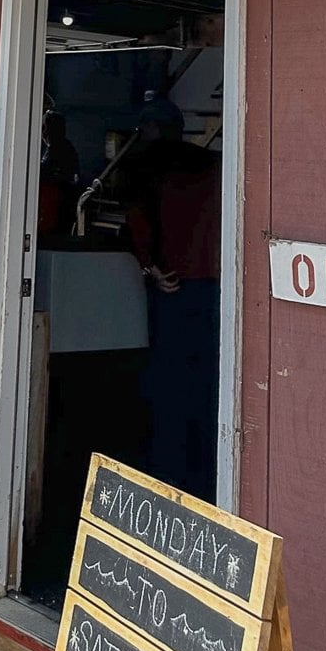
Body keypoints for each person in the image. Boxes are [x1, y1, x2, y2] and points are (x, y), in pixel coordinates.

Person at [124, 98, 221, 501]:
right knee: (209, 386)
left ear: (149, 130)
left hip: (173, 286)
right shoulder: (210, 163)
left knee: (168, 387)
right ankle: (208, 477)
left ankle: (166, 479)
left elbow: (138, 222)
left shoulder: (145, 167)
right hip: (214, 288)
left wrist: (149, 267)